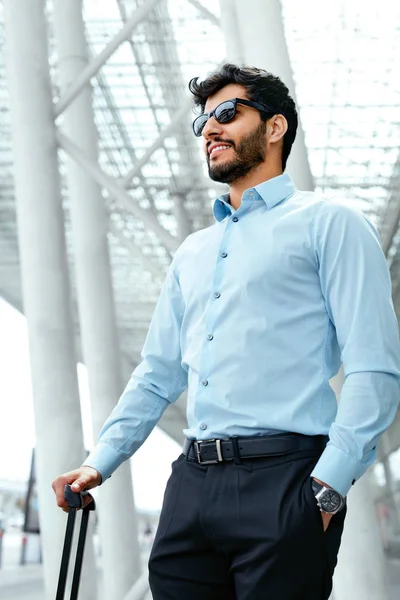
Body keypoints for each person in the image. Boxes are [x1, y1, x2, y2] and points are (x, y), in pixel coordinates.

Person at [52, 64, 400, 599]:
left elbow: (373, 366)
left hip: (286, 479)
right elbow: (157, 374)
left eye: (227, 114)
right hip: (191, 484)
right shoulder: (192, 252)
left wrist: (327, 489)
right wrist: (98, 463)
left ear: (276, 127)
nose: (209, 129)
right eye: (203, 122)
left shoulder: (331, 223)